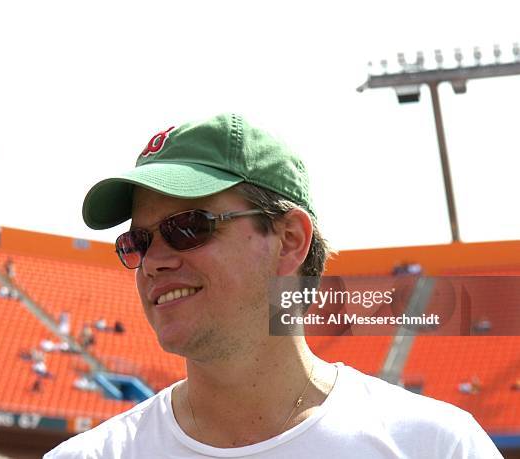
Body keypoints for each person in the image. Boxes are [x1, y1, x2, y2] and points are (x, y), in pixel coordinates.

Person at [45, 114, 502, 458]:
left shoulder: (434, 446)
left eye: (188, 227)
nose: (155, 262)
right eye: (137, 242)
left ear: (289, 241)